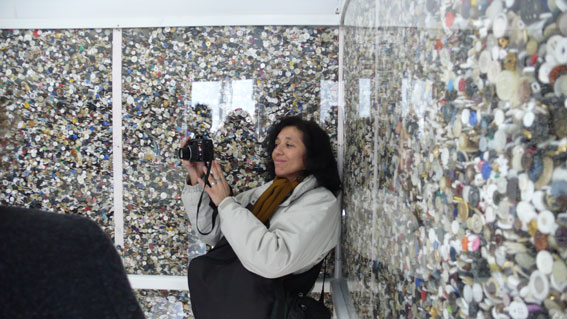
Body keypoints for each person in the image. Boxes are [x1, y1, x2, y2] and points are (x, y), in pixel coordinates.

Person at [181, 116, 341, 318]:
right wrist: (196, 178)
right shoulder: (268, 191)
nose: (278, 151)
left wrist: (226, 202)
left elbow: (272, 261)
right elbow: (213, 233)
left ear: (312, 154)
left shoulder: (321, 203)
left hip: (267, 308)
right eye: (276, 144)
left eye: (289, 145)